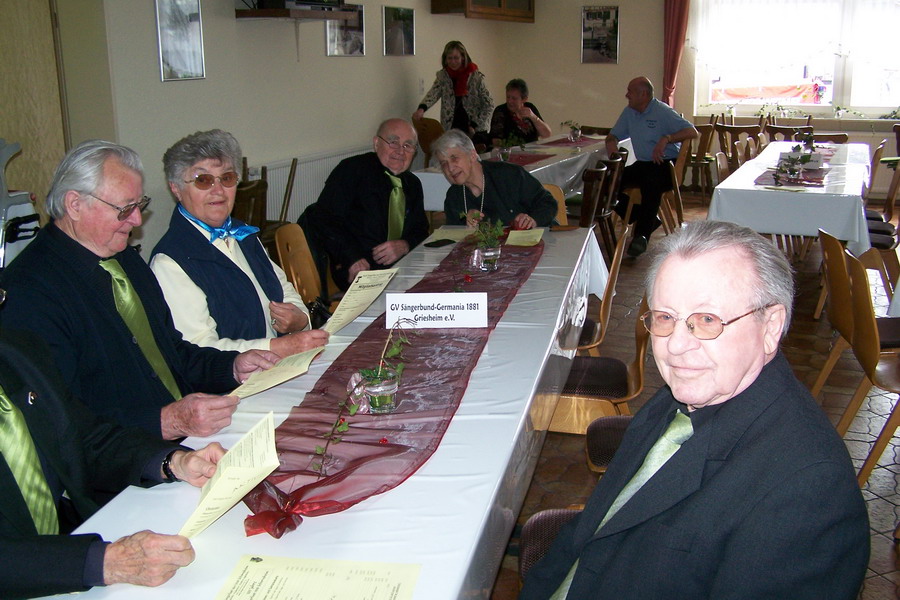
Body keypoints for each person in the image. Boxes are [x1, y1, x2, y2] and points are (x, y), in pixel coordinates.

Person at [520, 220, 869, 599]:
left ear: (770, 327)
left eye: (706, 320)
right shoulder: (682, 397)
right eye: (665, 318)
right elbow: (591, 527)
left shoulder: (808, 492)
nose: (675, 347)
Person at [0, 140, 278, 440]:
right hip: (123, 462)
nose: (136, 220)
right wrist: (167, 422)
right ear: (75, 205)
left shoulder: (123, 258)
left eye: (138, 205)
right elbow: (63, 422)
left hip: (183, 434)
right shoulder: (29, 294)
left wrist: (232, 367)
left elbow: (173, 352)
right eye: (124, 209)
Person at [0, 324, 225, 598]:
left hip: (71, 543)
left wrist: (172, 461)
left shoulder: (17, 346)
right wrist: (103, 562)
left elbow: (85, 438)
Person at [150, 130, 329, 357]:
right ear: (176, 188)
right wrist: (277, 348)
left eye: (226, 178)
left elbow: (283, 288)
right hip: (232, 385)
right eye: (203, 180)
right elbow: (199, 349)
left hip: (277, 367)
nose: (218, 190)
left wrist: (300, 319)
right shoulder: (170, 262)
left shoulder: (242, 232)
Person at [299, 119, 429, 291]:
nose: (400, 151)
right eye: (393, 142)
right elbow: (324, 218)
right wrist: (352, 257)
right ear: (376, 143)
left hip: (401, 268)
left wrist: (405, 244)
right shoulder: (352, 170)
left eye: (408, 145)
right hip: (358, 268)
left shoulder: (413, 184)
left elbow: (421, 229)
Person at [605, 76, 698, 257]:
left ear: (644, 94)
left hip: (665, 165)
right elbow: (613, 135)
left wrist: (667, 138)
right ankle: (641, 216)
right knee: (609, 180)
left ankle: (641, 236)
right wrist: (611, 144)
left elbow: (692, 131)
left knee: (651, 182)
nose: (626, 95)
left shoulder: (662, 111)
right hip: (643, 164)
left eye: (630, 92)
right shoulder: (629, 112)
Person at [434, 129, 557, 229]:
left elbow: (547, 203)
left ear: (472, 155)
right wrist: (466, 226)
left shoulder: (508, 175)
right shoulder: (454, 197)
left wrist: (533, 219)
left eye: (454, 158)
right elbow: (453, 239)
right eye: (444, 163)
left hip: (538, 244)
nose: (450, 168)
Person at [411, 41, 494, 142]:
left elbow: (489, 104)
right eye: (450, 58)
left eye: (456, 58)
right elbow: (433, 94)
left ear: (463, 57)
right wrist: (421, 109)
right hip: (451, 129)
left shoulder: (475, 77)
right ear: (445, 59)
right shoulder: (443, 76)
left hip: (475, 131)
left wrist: (474, 125)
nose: (453, 62)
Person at [488, 78, 552, 147]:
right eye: (508, 97)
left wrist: (533, 117)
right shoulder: (500, 111)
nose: (510, 101)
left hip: (533, 152)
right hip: (511, 154)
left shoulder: (530, 107)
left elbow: (547, 134)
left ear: (524, 99)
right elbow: (496, 142)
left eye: (514, 98)